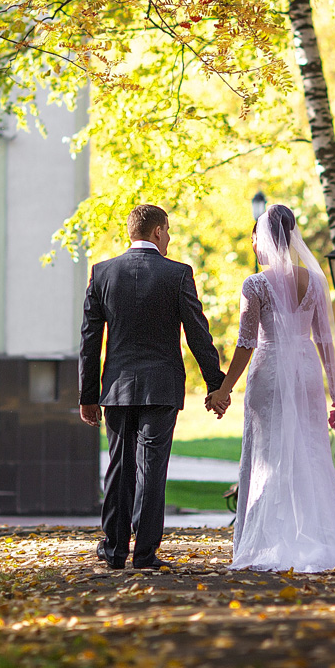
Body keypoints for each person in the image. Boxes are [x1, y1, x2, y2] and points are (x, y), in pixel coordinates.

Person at [206, 204, 335, 573]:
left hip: (270, 369)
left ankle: (271, 539)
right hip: (307, 368)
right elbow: (326, 342)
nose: (252, 244)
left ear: (263, 238)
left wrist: (224, 388)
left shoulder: (256, 284)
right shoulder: (314, 279)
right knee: (309, 449)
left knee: (270, 449)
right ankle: (322, 536)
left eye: (254, 237)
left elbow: (247, 342)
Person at [79, 204, 227, 570]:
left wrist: (87, 395)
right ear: (159, 231)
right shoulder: (177, 274)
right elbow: (197, 333)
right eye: (169, 231)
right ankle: (144, 554)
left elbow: (89, 340)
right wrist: (215, 384)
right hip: (161, 387)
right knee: (152, 469)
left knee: (119, 467)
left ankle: (114, 550)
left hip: (114, 389)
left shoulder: (102, 273)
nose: (170, 238)